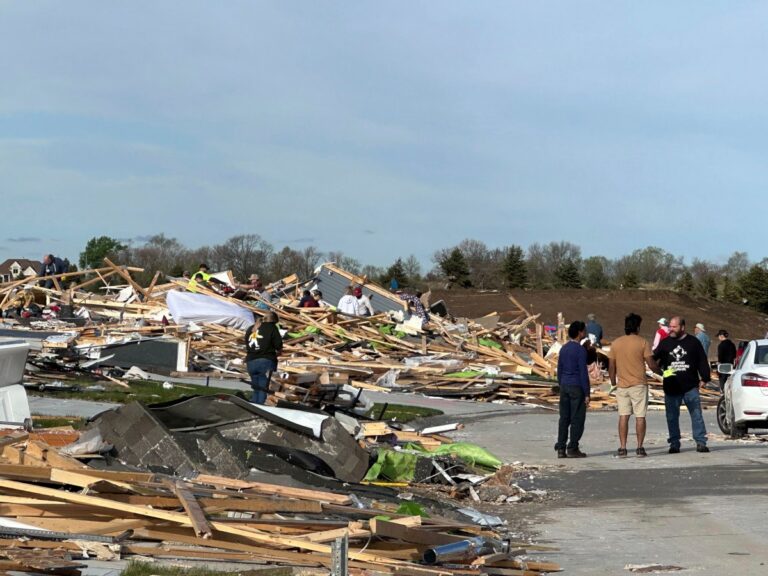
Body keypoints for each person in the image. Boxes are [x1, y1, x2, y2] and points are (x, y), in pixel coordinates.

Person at [653, 316, 711, 454]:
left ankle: (701, 442)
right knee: (672, 416)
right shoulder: (665, 343)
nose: (670, 329)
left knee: (696, 414)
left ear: (682, 327)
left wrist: (705, 377)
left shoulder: (693, 342)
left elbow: (702, 360)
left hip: (690, 386)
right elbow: (654, 359)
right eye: (670, 326)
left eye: (674, 327)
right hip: (671, 386)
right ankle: (674, 443)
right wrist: (661, 373)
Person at [608, 313, 658, 458]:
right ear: (637, 327)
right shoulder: (642, 342)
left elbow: (611, 366)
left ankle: (622, 447)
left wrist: (613, 383)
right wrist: (663, 372)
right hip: (639, 384)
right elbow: (652, 364)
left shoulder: (616, 343)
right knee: (640, 416)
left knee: (623, 416)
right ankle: (639, 447)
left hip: (622, 385)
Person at [555, 320, 590, 458]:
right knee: (577, 418)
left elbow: (559, 368)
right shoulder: (580, 350)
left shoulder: (564, 348)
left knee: (564, 417)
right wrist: (587, 393)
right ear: (580, 332)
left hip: (565, 385)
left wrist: (561, 384)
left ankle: (561, 447)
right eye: (584, 331)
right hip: (576, 386)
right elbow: (583, 372)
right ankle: (573, 447)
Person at [244, 311, 283, 404]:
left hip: (251, 361)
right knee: (263, 388)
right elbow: (278, 345)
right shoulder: (272, 328)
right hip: (265, 360)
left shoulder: (251, 328)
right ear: (274, 320)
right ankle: (260, 407)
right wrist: (278, 352)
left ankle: (253, 405)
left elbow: (246, 343)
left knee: (256, 387)